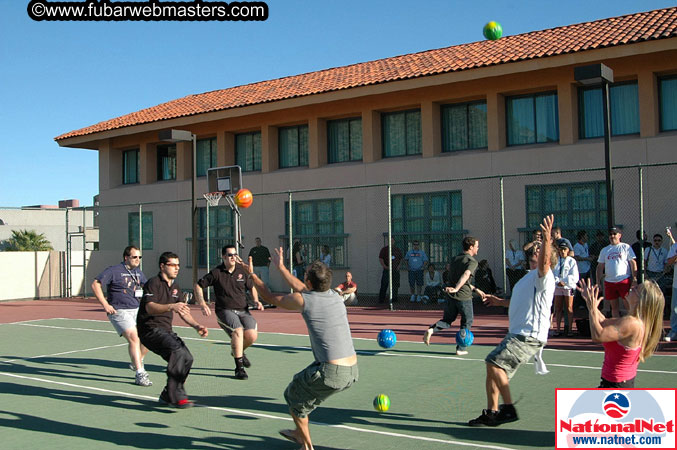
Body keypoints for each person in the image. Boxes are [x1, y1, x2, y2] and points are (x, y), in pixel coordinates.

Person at [240, 249, 358, 450]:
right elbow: (302, 286)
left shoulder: (305, 300)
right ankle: (298, 432)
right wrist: (281, 267)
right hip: (352, 370)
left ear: (311, 283)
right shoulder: (334, 295)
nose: (303, 280)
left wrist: (251, 274)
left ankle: (307, 445)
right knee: (299, 391)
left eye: (305, 276)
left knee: (293, 398)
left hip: (331, 371)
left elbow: (268, 296)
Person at [468, 215, 556, 427]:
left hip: (528, 335)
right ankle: (491, 412)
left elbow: (544, 262)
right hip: (518, 333)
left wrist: (546, 239)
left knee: (494, 362)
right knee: (493, 368)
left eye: (539, 251)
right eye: (535, 249)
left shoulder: (543, 276)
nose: (535, 251)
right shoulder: (528, 277)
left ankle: (508, 409)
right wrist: (499, 302)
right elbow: (521, 303)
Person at [137, 252, 209, 408]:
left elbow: (183, 311)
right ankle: (175, 394)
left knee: (187, 358)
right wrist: (170, 306)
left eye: (178, 265)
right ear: (162, 266)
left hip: (165, 331)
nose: (177, 268)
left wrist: (197, 326)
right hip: (149, 330)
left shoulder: (176, 287)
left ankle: (165, 395)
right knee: (177, 351)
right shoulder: (153, 283)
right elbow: (149, 307)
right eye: (173, 265)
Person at [194, 244, 264, 380]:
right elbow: (198, 285)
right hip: (224, 310)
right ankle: (239, 368)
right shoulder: (216, 272)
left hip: (243, 310)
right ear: (224, 257)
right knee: (238, 331)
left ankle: (238, 352)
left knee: (252, 335)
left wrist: (256, 300)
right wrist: (202, 304)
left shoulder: (241, 271)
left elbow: (252, 287)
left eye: (235, 254)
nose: (233, 257)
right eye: (230, 255)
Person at [578, 278, 664, 388]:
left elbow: (598, 336)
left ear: (640, 300)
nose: (632, 287)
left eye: (636, 288)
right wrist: (590, 304)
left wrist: (592, 307)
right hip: (617, 383)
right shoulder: (633, 321)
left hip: (616, 385)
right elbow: (603, 323)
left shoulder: (632, 323)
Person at [91, 245, 152, 386]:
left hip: (136, 309)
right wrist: (105, 305)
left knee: (149, 336)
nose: (138, 260)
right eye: (134, 257)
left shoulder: (138, 272)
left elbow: (147, 287)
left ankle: (136, 361)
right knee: (134, 337)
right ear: (126, 258)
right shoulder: (114, 270)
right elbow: (95, 284)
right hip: (119, 311)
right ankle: (140, 373)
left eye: (140, 257)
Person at [423, 236, 485, 355]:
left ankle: (431, 329)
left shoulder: (455, 259)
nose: (478, 248)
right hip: (463, 297)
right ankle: (460, 349)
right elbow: (466, 275)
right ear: (471, 247)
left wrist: (476, 290)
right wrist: (457, 288)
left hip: (451, 296)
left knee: (447, 320)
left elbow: (460, 280)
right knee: (467, 322)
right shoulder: (472, 261)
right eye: (477, 246)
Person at [596, 227, 637, 318]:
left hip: (623, 280)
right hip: (609, 281)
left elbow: (632, 262)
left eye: (614, 234)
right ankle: (617, 326)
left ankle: (630, 325)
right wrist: (598, 282)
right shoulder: (605, 250)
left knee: (628, 305)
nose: (612, 236)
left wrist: (634, 278)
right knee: (614, 307)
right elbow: (600, 267)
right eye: (610, 234)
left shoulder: (625, 247)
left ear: (619, 235)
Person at [552, 239, 579, 337]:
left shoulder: (572, 261)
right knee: (558, 308)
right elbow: (552, 273)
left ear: (568, 250)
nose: (563, 251)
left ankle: (570, 329)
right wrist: (558, 281)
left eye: (565, 249)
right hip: (557, 286)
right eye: (561, 249)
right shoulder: (555, 260)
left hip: (568, 287)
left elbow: (575, 276)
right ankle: (558, 328)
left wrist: (565, 282)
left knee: (569, 308)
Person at [378, 237, 403, 304]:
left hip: (395, 270)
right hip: (387, 270)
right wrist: (385, 266)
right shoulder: (384, 249)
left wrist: (398, 267)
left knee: (395, 285)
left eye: (392, 240)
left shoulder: (397, 249)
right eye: (390, 240)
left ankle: (394, 299)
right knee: (384, 284)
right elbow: (381, 259)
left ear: (394, 241)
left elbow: (401, 259)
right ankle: (381, 299)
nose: (391, 242)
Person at [573, 230, 593, 310]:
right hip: (581, 269)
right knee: (581, 286)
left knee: (587, 286)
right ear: (582, 237)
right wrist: (586, 259)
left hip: (587, 268)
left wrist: (590, 257)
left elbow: (585, 254)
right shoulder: (577, 246)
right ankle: (579, 303)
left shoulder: (585, 245)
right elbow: (577, 257)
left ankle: (586, 302)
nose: (587, 237)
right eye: (585, 236)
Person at [666, 233, 677, 342]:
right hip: (676, 284)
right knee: (675, 309)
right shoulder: (675, 247)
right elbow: (669, 262)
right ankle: (674, 331)